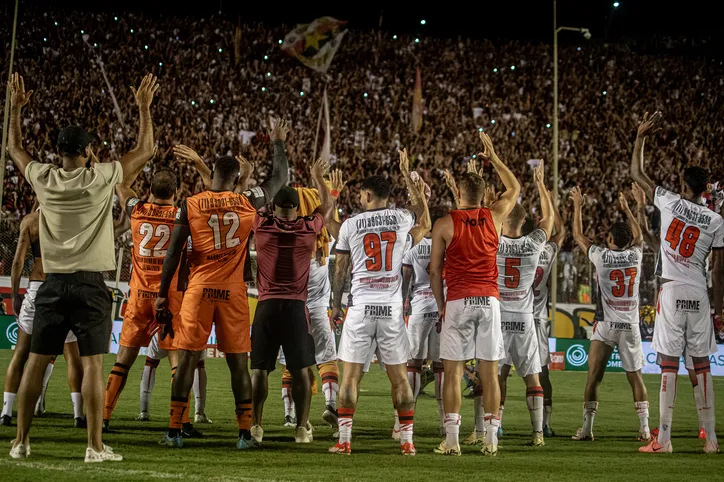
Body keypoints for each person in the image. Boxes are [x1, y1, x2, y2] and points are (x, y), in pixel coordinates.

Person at [7, 72, 159, 462]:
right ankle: (94, 446)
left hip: (52, 284)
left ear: (58, 151)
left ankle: (21, 441)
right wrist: (143, 108)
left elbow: (14, 149)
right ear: (89, 151)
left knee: (36, 363)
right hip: (91, 285)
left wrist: (16, 109)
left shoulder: (44, 178)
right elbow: (146, 150)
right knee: (92, 365)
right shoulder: (101, 176)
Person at [154, 118, 290, 449]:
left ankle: (174, 431)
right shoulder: (247, 202)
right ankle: (244, 434)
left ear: (212, 174)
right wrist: (277, 142)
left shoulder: (190, 203)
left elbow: (172, 253)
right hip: (233, 293)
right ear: (235, 179)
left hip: (198, 291)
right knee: (238, 364)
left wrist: (162, 295)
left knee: (187, 359)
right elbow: (280, 178)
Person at [631, 111, 723, 454]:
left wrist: (640, 136)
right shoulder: (716, 220)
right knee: (702, 366)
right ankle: (711, 440)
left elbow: (637, 174)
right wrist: (719, 309)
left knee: (668, 363)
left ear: (684, 186)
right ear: (706, 189)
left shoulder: (669, 200)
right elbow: (718, 271)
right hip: (699, 294)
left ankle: (664, 439)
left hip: (671, 289)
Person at [328, 149, 430, 456]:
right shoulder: (401, 219)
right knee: (400, 378)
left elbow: (341, 270)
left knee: (350, 376)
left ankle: (345, 440)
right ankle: (407, 441)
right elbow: (423, 218)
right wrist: (409, 174)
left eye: (360, 195)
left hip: (360, 307)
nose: (359, 199)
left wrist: (336, 304)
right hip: (390, 309)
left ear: (368, 195)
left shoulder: (350, 224)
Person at [430, 131, 520, 457]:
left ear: (458, 193)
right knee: (490, 372)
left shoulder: (444, 223)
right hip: (489, 300)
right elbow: (515, 188)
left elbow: (433, 271)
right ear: (484, 196)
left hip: (458, 299)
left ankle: (452, 440)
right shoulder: (495, 217)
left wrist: (441, 305)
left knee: (453, 372)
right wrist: (493, 156)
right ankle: (491, 439)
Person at [102, 167, 204, 436]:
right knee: (176, 362)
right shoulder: (182, 215)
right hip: (169, 296)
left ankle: (103, 417)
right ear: (176, 192)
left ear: (149, 190)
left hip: (138, 295)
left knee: (123, 360)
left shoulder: (136, 209)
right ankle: (180, 422)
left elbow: (121, 186)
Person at [249, 158, 335, 443]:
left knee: (260, 370)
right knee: (301, 370)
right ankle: (301, 427)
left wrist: (249, 178)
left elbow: (252, 203)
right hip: (296, 308)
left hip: (266, 306)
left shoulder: (262, 225)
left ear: (274, 208)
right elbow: (327, 207)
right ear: (298, 210)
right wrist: (318, 177)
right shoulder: (307, 228)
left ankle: (256, 426)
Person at [570, 187, 650, 442]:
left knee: (594, 377)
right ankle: (645, 429)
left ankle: (587, 429)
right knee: (635, 376)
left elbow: (578, 235)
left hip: (606, 325)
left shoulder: (602, 256)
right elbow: (639, 236)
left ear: (610, 240)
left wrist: (578, 206)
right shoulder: (636, 255)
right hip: (630, 324)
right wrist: (630, 208)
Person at [277, 169, 347, 430]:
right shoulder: (318, 241)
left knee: (288, 362)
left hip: (290, 304)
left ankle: (289, 415)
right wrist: (333, 196)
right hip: (317, 301)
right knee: (327, 357)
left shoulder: (285, 234)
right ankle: (330, 403)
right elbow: (327, 216)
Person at [2, 208, 85, 428]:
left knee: (21, 353)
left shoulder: (31, 221)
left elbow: (18, 262)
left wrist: (14, 295)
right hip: (65, 287)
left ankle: (6, 411)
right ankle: (78, 415)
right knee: (72, 356)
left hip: (37, 287)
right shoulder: (73, 217)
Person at [493, 161, 554, 448]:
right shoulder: (534, 244)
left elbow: (486, 217)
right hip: (525, 319)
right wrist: (540, 183)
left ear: (504, 222)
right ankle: (538, 433)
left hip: (499, 318)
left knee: (497, 375)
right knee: (533, 378)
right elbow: (549, 217)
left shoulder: (494, 243)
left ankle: (496, 427)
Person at [402, 206, 449, 437]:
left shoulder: (414, 246)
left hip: (420, 306)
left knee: (414, 364)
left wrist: (403, 304)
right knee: (440, 366)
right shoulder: (448, 245)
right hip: (443, 306)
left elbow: (406, 279)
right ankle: (443, 423)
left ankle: (403, 424)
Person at [529, 193, 565, 437]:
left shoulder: (513, 246)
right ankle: (545, 423)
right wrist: (553, 206)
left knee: (500, 370)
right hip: (539, 318)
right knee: (542, 371)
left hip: (513, 314)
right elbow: (561, 231)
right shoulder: (548, 250)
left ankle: (495, 424)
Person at [137, 332, 210, 423]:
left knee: (151, 363)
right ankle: (199, 412)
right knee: (198, 365)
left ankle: (144, 410)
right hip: (188, 329)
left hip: (164, 328)